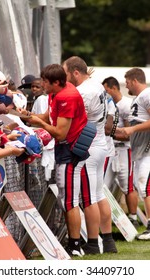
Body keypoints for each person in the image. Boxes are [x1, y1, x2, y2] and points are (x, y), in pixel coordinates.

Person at [17, 63, 98, 257]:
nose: (42, 84)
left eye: (45, 81)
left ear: (56, 82)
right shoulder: (58, 92)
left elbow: (60, 133)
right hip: (67, 148)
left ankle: (75, 245)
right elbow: (48, 116)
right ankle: (75, 241)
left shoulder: (67, 96)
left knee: (70, 199)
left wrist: (40, 123)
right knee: (66, 197)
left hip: (70, 149)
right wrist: (28, 116)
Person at [62, 56, 117, 254]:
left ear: (75, 72)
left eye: (66, 72)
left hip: (89, 145)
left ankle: (93, 242)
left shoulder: (84, 91)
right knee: (98, 194)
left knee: (89, 198)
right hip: (100, 142)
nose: (64, 77)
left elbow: (74, 120)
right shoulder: (96, 85)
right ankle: (108, 241)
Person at [117, 67, 150, 239]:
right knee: (142, 187)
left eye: (128, 82)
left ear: (135, 81)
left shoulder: (146, 95)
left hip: (147, 150)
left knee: (145, 186)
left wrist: (133, 129)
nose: (127, 86)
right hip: (139, 150)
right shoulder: (139, 98)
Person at [102, 76, 139, 227]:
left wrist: (111, 133)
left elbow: (128, 132)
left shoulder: (126, 105)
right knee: (104, 185)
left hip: (124, 149)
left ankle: (133, 217)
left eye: (106, 90)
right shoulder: (107, 104)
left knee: (127, 184)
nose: (104, 93)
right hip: (111, 149)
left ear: (113, 88)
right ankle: (105, 220)